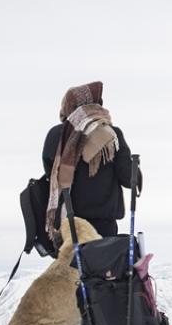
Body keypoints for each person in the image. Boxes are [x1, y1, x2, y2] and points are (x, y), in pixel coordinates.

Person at [43, 81, 137, 240]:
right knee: (102, 263)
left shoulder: (56, 135)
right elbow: (129, 179)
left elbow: (50, 173)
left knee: (72, 264)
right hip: (104, 225)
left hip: (68, 224)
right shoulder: (112, 135)